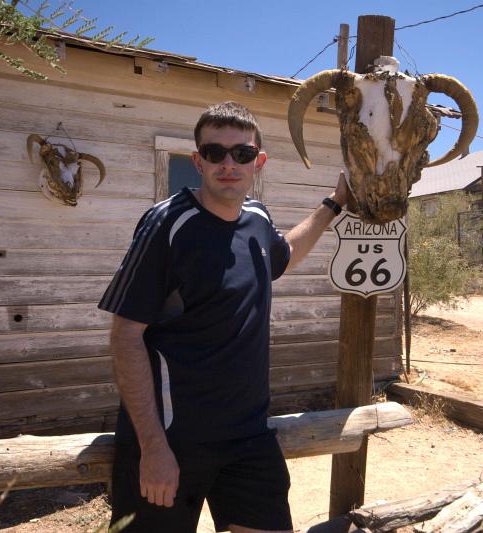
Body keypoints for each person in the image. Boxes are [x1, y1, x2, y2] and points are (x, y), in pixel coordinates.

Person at [99, 101, 348, 533]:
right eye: (215, 153)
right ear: (198, 160)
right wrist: (153, 447)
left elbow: (283, 256)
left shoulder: (257, 218)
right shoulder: (167, 225)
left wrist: (333, 204)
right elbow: (125, 336)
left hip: (248, 436)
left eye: (242, 154)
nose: (228, 164)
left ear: (259, 162)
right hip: (173, 441)